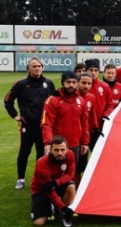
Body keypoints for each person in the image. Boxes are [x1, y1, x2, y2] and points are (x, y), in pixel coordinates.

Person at [4, 58, 56, 189]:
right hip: (27, 125)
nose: (37, 68)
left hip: (44, 126)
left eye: (39, 66)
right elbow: (8, 100)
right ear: (28, 69)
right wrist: (15, 115)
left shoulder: (48, 83)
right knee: (24, 152)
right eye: (34, 66)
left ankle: (39, 177)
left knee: (42, 152)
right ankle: (20, 178)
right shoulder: (21, 84)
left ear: (42, 68)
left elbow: (54, 102)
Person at [41, 72, 89, 180]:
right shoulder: (53, 100)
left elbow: (84, 122)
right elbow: (46, 123)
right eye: (68, 82)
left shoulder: (81, 100)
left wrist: (85, 142)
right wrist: (48, 143)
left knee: (73, 172)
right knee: (55, 174)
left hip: (75, 144)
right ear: (63, 83)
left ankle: (72, 195)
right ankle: (53, 195)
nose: (71, 85)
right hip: (58, 146)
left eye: (74, 82)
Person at [30, 135, 76, 227]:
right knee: (39, 223)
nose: (60, 153)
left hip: (55, 184)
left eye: (62, 150)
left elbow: (70, 175)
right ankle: (55, 207)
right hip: (40, 190)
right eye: (56, 150)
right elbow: (48, 190)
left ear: (67, 149)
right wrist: (63, 208)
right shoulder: (42, 164)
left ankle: (60, 213)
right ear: (50, 150)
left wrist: (56, 182)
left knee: (71, 187)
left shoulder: (70, 154)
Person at [85, 59, 114, 149]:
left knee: (96, 154)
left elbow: (110, 104)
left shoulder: (104, 86)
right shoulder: (82, 86)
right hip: (84, 128)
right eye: (91, 70)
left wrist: (105, 114)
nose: (93, 73)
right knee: (82, 159)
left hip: (99, 127)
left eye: (96, 70)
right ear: (86, 71)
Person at [75, 73, 97, 187]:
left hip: (84, 137)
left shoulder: (91, 97)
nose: (86, 86)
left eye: (89, 83)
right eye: (84, 83)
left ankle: (78, 191)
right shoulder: (71, 97)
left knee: (81, 166)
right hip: (72, 138)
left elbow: (92, 116)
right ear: (77, 83)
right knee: (72, 168)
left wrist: (96, 128)